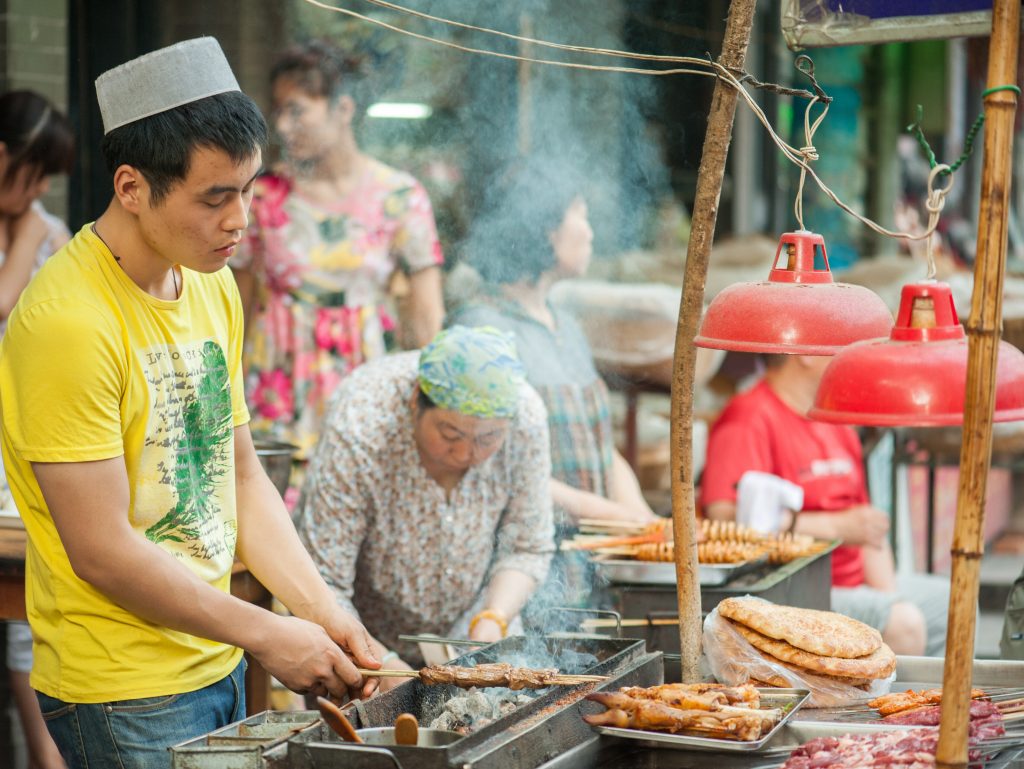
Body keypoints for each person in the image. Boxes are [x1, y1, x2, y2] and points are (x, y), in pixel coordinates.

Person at [0, 38, 381, 769]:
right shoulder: (66, 323)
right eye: (215, 197)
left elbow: (239, 475)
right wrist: (266, 633)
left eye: (247, 189)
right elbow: (102, 550)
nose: (241, 220)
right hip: (123, 692)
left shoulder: (208, 281)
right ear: (132, 187)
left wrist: (324, 610)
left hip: (217, 663)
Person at [295, 325, 556, 689]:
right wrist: (378, 661)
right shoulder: (361, 421)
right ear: (416, 399)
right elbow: (321, 578)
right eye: (450, 435)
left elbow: (527, 546)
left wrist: (493, 620)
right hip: (363, 637)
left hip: (473, 625)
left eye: (488, 439)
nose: (467, 455)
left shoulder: (525, 418)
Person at [231, 39, 445, 466]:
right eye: (279, 111)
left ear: (343, 110)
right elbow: (233, 304)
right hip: (273, 391)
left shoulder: (400, 198)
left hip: (364, 391)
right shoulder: (263, 197)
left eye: (297, 110)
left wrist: (434, 404)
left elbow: (425, 322)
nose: (283, 126)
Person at [449, 160, 658, 526]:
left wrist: (645, 522)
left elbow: (603, 448)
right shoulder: (481, 329)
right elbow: (492, 466)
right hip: (524, 559)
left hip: (589, 555)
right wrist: (613, 516)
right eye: (580, 215)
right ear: (545, 229)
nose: (590, 233)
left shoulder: (566, 326)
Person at [700, 353, 949, 656]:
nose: (844, 351)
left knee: (951, 601)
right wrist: (835, 527)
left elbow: (868, 527)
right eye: (832, 341)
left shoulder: (835, 421)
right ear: (803, 354)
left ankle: (936, 702)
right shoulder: (747, 417)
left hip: (853, 582)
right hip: (790, 593)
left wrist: (888, 594)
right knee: (903, 622)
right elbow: (725, 523)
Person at [0, 89, 74, 769]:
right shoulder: (29, 229)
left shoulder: (44, 226)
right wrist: (25, 237)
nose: (42, 188)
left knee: (33, 599)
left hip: (24, 443)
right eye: (35, 169)